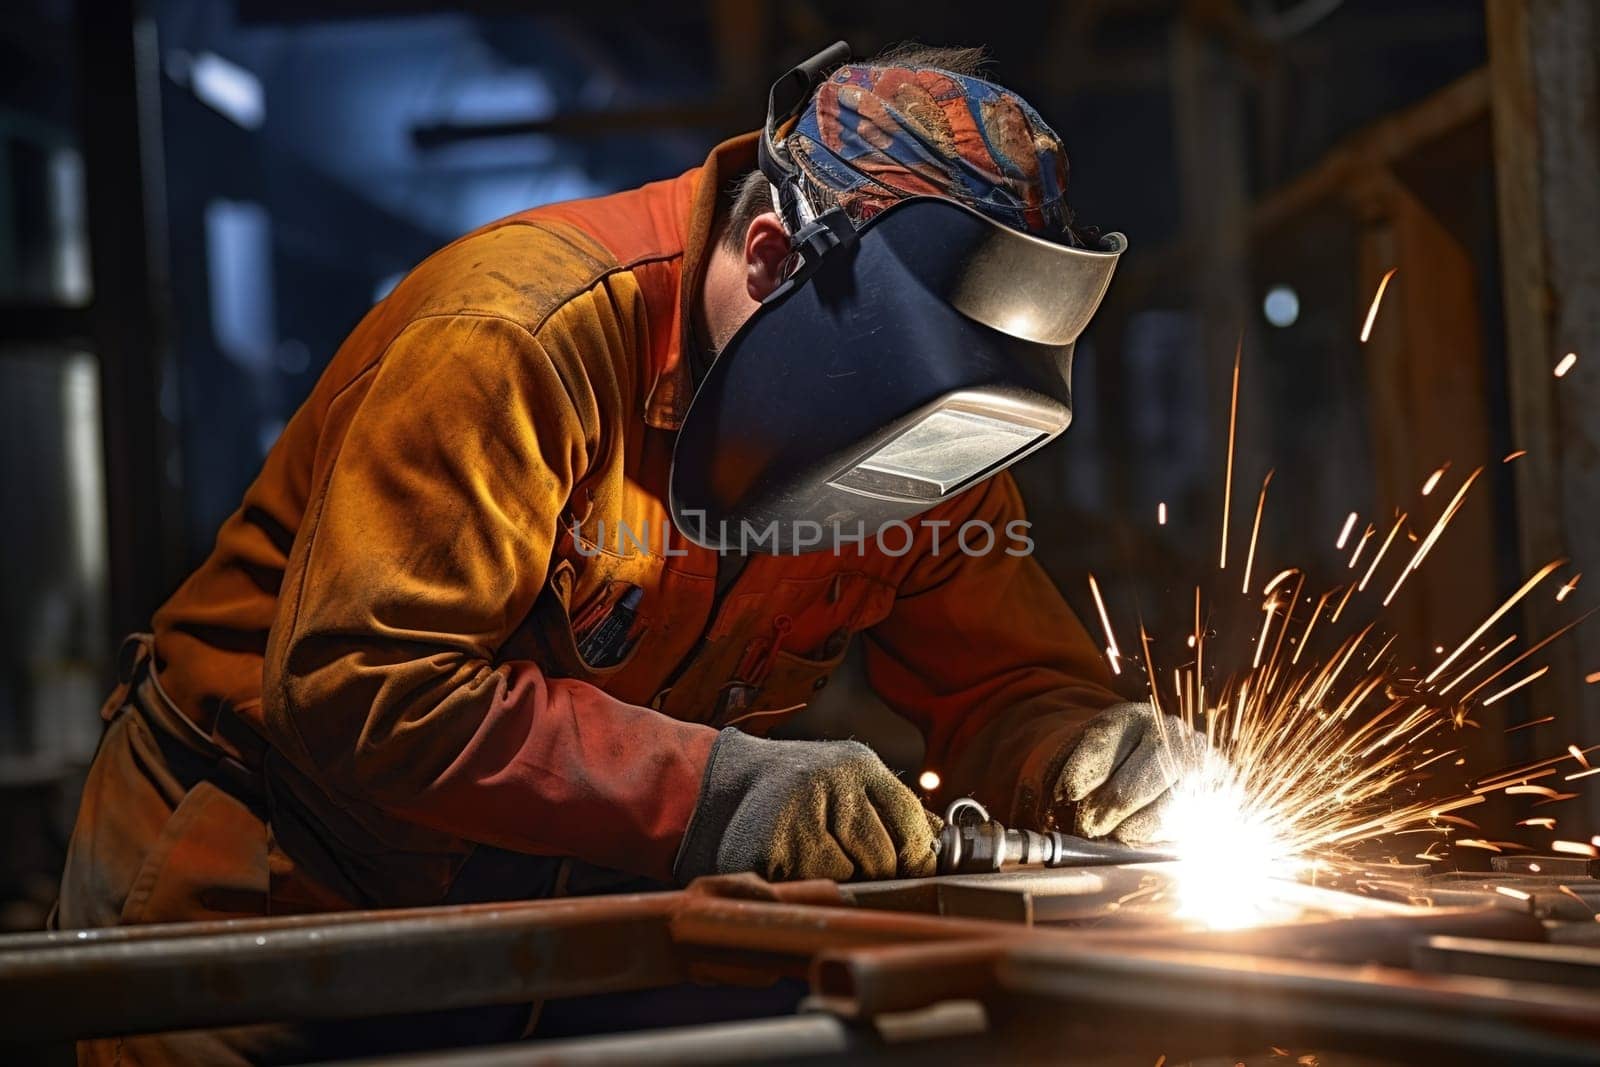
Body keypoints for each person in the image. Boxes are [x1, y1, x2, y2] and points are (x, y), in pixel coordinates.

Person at [57, 41, 1200, 1063]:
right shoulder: (512, 339)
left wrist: (1077, 746)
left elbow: (1001, 676)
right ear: (769, 256)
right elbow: (367, 690)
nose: (905, 474)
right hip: (269, 906)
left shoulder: (916, 410)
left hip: (562, 919)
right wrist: (718, 789)